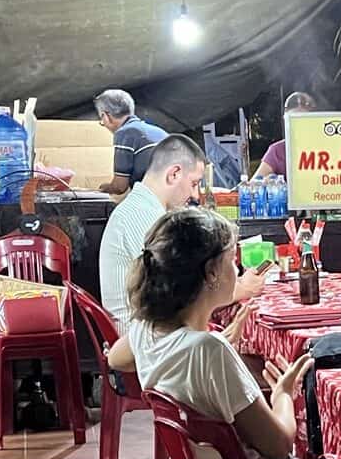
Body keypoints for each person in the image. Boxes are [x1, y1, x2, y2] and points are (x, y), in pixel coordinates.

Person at [107, 208, 341, 459]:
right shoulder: (208, 351)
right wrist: (283, 395)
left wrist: (209, 344)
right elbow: (279, 446)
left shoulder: (149, 330)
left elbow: (117, 359)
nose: (237, 269)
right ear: (211, 271)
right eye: (231, 260)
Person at [99, 134, 265, 325]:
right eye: (194, 183)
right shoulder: (143, 215)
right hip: (142, 337)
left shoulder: (142, 207)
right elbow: (178, 291)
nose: (195, 195)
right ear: (174, 174)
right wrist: (240, 289)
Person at [94, 89, 168, 195]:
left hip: (157, 197)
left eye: (102, 120)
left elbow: (119, 187)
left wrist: (101, 189)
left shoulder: (125, 133)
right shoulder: (158, 131)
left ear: (106, 116)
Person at [255, 92, 318, 181]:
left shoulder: (325, 147)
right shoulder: (277, 150)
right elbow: (255, 182)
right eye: (293, 120)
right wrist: (267, 181)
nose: (298, 125)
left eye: (303, 120)